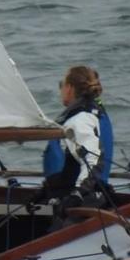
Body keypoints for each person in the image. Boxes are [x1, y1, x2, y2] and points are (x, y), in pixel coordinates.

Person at [40, 65, 114, 227]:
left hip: (87, 199)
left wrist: (78, 194)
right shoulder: (91, 111)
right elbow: (72, 166)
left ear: (69, 88)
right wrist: (45, 191)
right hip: (89, 193)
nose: (60, 90)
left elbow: (94, 159)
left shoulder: (80, 119)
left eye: (62, 85)